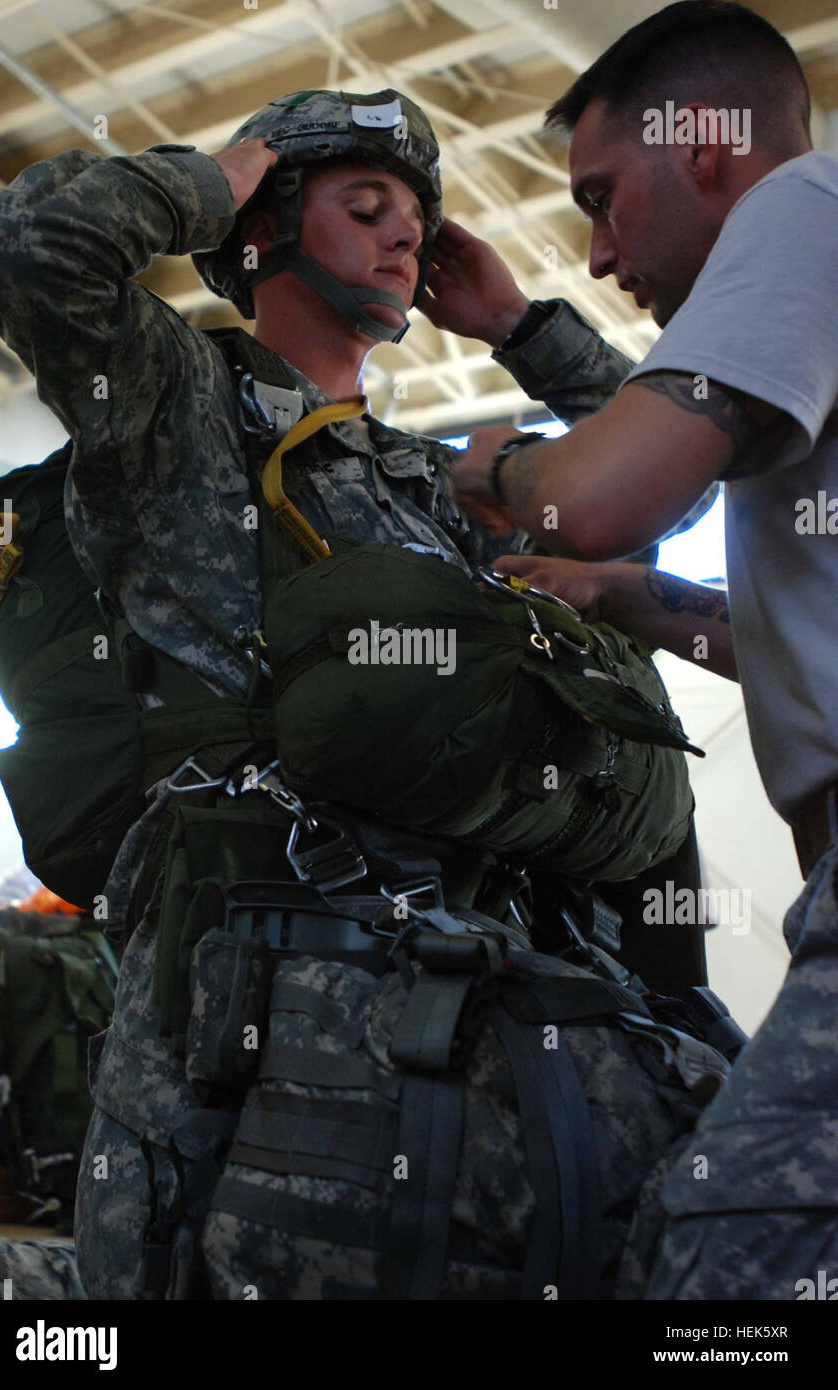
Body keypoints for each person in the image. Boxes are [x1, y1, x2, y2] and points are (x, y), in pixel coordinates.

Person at [0, 86, 726, 1301]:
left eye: (416, 224)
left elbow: (673, 485)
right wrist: (216, 179)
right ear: (262, 232)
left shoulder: (433, 486)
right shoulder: (171, 408)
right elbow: (19, 247)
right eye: (364, 206)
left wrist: (521, 325)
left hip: (456, 1024)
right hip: (239, 1022)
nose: (402, 237)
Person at [437, 0, 838, 1299]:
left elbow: (596, 494)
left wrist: (497, 469)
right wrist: (635, 603)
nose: (601, 253)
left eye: (605, 200)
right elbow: (768, 630)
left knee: (717, 1260)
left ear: (710, 148)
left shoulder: (804, 206)